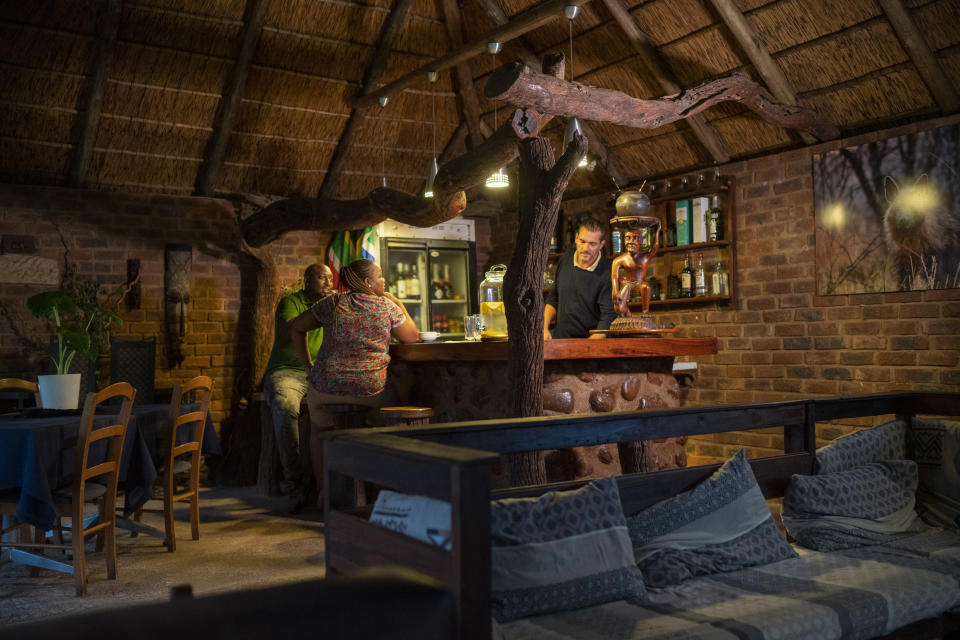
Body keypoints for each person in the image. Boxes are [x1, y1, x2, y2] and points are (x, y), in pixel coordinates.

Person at [290, 258, 419, 505]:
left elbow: (296, 327)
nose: (384, 281)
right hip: (370, 390)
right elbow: (411, 338)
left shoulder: (333, 302)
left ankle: (323, 492)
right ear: (368, 282)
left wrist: (307, 365)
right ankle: (380, 492)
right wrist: (398, 302)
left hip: (326, 387)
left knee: (318, 431)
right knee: (388, 419)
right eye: (380, 277)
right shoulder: (386, 307)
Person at [263, 263, 334, 512]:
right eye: (321, 278)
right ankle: (295, 481)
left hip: (318, 372)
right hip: (288, 371)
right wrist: (323, 308)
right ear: (307, 280)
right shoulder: (290, 302)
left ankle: (334, 480)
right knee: (284, 407)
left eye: (330, 278)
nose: (327, 282)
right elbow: (291, 328)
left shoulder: (334, 305)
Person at [543, 218, 616, 339]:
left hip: (590, 346)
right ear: (576, 238)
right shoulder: (566, 259)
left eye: (592, 244)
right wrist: (544, 328)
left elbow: (607, 319)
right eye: (582, 241)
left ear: (601, 245)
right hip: (560, 342)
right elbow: (553, 298)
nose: (585, 248)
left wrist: (586, 350)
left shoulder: (609, 270)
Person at [610, 220, 661, 317]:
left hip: (640, 283)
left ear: (641, 241)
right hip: (628, 284)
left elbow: (655, 247)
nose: (630, 242)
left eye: (635, 238)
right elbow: (614, 276)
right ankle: (627, 315)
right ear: (624, 240)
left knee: (646, 287)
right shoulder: (619, 260)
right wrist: (615, 290)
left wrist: (657, 231)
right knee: (618, 306)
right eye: (628, 238)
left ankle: (645, 313)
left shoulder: (644, 257)